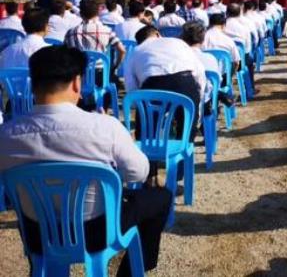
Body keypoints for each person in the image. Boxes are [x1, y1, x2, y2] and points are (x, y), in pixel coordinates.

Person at [0, 45, 171, 277]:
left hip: (38, 235)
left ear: (33, 83)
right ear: (76, 83)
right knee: (160, 197)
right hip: (97, 231)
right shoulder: (105, 127)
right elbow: (138, 174)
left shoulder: (6, 135)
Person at [125, 25, 206, 142]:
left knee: (146, 132)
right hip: (185, 83)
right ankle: (183, 150)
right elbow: (199, 72)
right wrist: (198, 97)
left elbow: (131, 87)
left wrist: (139, 105)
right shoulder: (178, 42)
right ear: (158, 34)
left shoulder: (136, 51)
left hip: (152, 87)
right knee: (186, 128)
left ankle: (149, 150)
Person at [64, 0, 126, 72]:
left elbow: (65, 53)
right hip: (100, 73)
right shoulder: (107, 31)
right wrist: (115, 66)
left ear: (81, 14)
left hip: (78, 73)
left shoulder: (71, 32)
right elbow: (122, 50)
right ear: (98, 13)